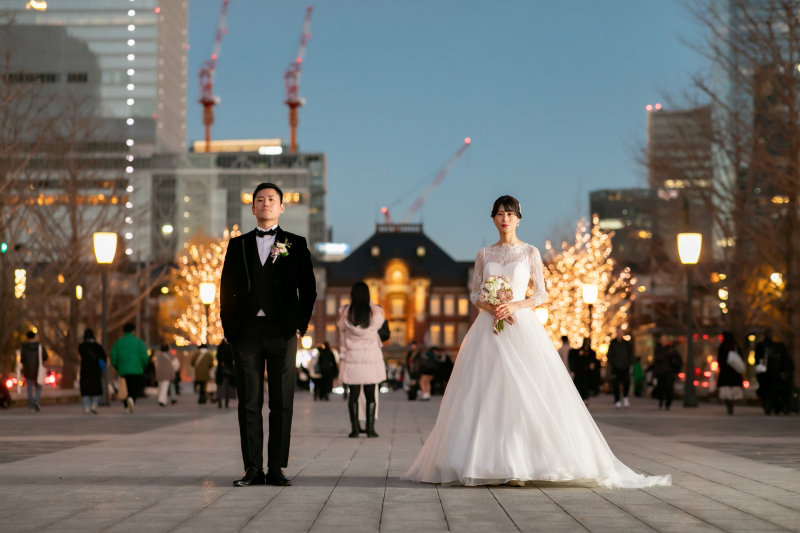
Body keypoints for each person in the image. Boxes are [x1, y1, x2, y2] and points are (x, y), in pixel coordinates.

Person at [401, 196, 671, 488]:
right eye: (500, 214)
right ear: (493, 219)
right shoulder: (484, 254)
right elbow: (475, 294)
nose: (505, 218)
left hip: (521, 326)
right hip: (488, 327)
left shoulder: (530, 252)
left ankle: (521, 464)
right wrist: (492, 307)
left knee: (523, 390)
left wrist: (514, 306)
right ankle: (483, 460)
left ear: (519, 218)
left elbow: (541, 294)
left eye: (510, 213)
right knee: (486, 391)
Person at [220, 182, 317, 487]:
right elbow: (226, 289)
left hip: (282, 333)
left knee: (282, 402)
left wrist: (299, 326)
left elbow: (309, 289)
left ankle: (275, 468)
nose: (265, 203)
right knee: (248, 402)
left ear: (281, 207)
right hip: (245, 334)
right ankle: (252, 468)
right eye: (260, 200)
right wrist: (229, 328)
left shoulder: (296, 244)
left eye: (271, 199)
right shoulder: (238, 245)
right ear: (252, 208)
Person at [337, 281, 387, 439]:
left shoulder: (346, 312)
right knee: (370, 394)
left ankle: (355, 429)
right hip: (371, 358)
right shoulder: (376, 312)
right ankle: (370, 429)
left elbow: (340, 327)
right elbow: (380, 325)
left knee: (354, 394)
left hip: (353, 358)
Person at [110, 323, 149, 414]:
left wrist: (117, 367)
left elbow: (113, 357)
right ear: (133, 330)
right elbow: (144, 356)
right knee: (134, 387)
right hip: (136, 369)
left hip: (123, 369)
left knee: (124, 389)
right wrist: (143, 365)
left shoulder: (118, 343)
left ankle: (127, 404)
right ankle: (132, 400)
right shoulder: (139, 342)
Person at [78, 329, 107, 414]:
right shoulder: (98, 346)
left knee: (85, 389)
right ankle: (94, 404)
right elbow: (103, 356)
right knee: (96, 388)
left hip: (85, 370)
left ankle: (86, 406)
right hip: (96, 370)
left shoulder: (82, 346)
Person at [755, 329, 782, 415]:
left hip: (765, 371)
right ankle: (769, 406)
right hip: (771, 371)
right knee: (770, 389)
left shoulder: (762, 345)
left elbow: (757, 358)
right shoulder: (773, 346)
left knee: (766, 389)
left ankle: (768, 406)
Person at [717, 331, 744, 415]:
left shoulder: (722, 346)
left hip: (725, 373)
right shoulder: (735, 346)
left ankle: (729, 405)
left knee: (727, 391)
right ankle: (731, 405)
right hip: (734, 373)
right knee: (732, 391)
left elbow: (720, 360)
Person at [20, 331, 47, 411]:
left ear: (27, 337)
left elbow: (22, 359)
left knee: (29, 388)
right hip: (38, 370)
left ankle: (31, 405)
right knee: (38, 386)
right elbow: (45, 356)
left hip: (28, 370)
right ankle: (37, 400)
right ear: (34, 337)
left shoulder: (24, 347)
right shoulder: (39, 346)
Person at [607, 328, 634, 409]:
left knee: (626, 383)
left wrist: (628, 364)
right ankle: (617, 400)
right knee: (615, 384)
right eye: (618, 332)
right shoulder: (613, 343)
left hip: (625, 368)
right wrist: (614, 363)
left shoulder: (627, 343)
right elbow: (609, 355)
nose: (620, 334)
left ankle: (625, 397)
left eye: (621, 332)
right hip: (616, 368)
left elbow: (631, 355)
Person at [653, 335, 678, 411]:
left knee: (669, 388)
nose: (664, 341)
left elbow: (675, 356)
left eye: (665, 339)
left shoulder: (671, 348)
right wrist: (667, 354)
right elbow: (658, 358)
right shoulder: (658, 349)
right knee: (660, 388)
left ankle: (668, 403)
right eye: (662, 339)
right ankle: (661, 400)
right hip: (660, 372)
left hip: (669, 371)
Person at [569, 338, 595, 406]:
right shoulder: (580, 351)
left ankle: (585, 399)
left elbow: (593, 360)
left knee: (586, 386)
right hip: (580, 372)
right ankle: (582, 399)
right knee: (580, 386)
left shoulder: (591, 352)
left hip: (587, 373)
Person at [215, 340, 236, 409]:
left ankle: (220, 402)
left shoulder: (221, 347)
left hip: (221, 371)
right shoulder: (230, 347)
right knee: (227, 387)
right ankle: (226, 402)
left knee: (221, 387)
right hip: (229, 371)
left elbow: (218, 357)